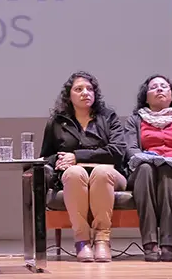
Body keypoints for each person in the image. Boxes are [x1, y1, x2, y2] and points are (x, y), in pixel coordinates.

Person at [40, 71, 126, 262]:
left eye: (89, 89)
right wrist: (61, 160)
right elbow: (45, 157)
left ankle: (102, 239)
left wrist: (77, 156)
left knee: (101, 172)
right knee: (74, 172)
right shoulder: (57, 122)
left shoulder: (108, 117)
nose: (85, 93)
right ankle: (82, 240)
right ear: (69, 96)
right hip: (72, 178)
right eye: (78, 89)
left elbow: (118, 151)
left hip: (110, 175)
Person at [124, 75, 172, 262]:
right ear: (146, 97)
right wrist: (151, 158)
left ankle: (168, 243)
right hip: (143, 169)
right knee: (145, 169)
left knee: (167, 170)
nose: (159, 89)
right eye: (153, 87)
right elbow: (131, 149)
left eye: (164, 86)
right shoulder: (135, 120)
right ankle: (149, 243)